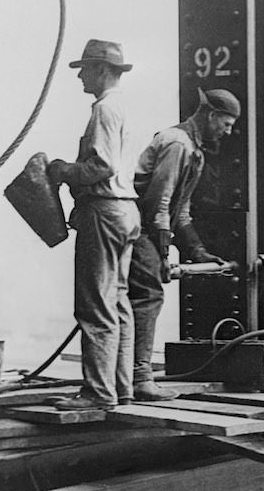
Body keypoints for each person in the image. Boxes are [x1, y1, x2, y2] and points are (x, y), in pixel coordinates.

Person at [128, 88, 239, 401]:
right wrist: (163, 255)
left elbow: (181, 208)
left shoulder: (194, 149)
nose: (227, 131)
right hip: (135, 223)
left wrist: (197, 251)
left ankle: (127, 373)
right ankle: (139, 377)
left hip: (146, 224)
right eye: (226, 123)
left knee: (137, 295)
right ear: (212, 115)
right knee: (149, 292)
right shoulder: (178, 143)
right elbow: (158, 204)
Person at [48, 39, 141, 410]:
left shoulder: (104, 110)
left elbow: (101, 167)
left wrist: (62, 171)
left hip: (103, 211)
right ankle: (122, 388)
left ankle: (98, 394)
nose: (80, 76)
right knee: (118, 303)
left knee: (95, 306)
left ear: (102, 70)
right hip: (126, 213)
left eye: (84, 69)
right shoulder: (122, 107)